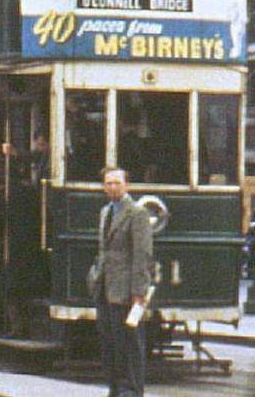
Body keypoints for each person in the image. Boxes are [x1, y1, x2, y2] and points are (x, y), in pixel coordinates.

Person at [90, 167, 153, 397]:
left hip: (126, 291)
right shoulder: (106, 212)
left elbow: (142, 255)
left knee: (129, 344)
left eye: (117, 183)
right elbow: (103, 250)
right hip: (105, 289)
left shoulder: (137, 213)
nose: (112, 187)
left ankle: (132, 391)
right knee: (110, 344)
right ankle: (115, 389)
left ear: (126, 185)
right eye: (108, 183)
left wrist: (138, 292)